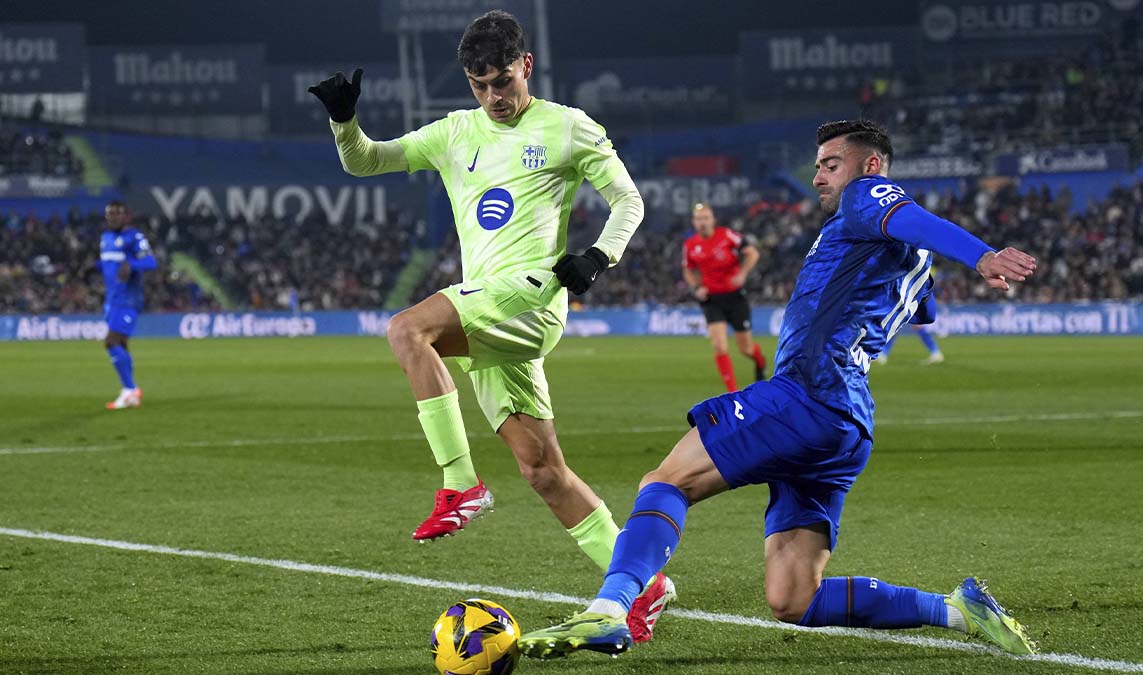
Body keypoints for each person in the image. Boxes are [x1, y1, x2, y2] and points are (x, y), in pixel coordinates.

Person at [517, 120, 1040, 659]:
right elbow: (920, 300)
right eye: (817, 165)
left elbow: (906, 215)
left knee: (667, 481)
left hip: (807, 394)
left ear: (871, 166)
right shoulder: (907, 256)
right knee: (794, 598)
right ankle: (957, 610)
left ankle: (609, 610)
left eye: (830, 164)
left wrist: (981, 255)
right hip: (848, 425)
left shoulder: (868, 197)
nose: (818, 176)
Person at [308, 10, 672, 641]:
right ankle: (646, 584)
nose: (494, 97)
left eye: (503, 81)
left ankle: (460, 486)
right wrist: (344, 122)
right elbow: (366, 163)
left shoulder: (567, 126)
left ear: (525, 65)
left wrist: (597, 255)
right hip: (490, 310)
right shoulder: (455, 133)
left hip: (532, 298)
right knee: (542, 471)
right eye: (481, 86)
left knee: (406, 330)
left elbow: (629, 200)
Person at [682, 203, 768, 391]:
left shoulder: (727, 235)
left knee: (746, 349)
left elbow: (752, 253)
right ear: (694, 223)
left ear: (713, 220)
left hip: (735, 297)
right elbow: (688, 269)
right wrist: (696, 287)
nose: (702, 222)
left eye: (705, 218)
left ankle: (760, 362)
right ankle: (733, 393)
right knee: (720, 346)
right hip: (712, 300)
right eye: (698, 219)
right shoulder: (691, 245)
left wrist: (743, 273)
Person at [98, 201, 157, 410]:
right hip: (111, 300)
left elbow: (151, 262)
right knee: (121, 344)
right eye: (109, 214)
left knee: (110, 341)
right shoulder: (105, 238)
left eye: (116, 213)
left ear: (126, 216)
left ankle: (129, 388)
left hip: (128, 300)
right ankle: (132, 392)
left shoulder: (134, 237)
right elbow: (108, 266)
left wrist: (133, 265)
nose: (112, 217)